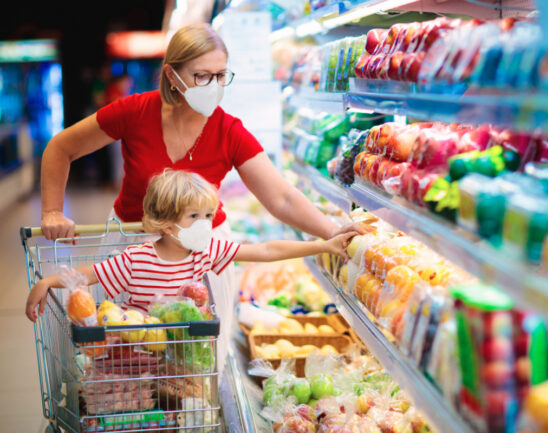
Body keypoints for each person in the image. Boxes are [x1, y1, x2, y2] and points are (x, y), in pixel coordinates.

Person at [38, 23, 364, 365]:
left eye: (222, 76)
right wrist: (51, 211)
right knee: (125, 355)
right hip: (131, 249)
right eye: (202, 76)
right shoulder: (135, 112)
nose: (214, 86)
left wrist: (332, 232)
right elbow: (61, 148)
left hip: (202, 252)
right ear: (172, 75)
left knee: (196, 363)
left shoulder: (229, 131)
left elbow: (281, 198)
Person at [26, 170, 355, 322]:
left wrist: (323, 245)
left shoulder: (206, 251)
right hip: (140, 359)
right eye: (194, 216)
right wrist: (46, 282)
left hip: (188, 360)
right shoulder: (135, 259)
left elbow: (266, 251)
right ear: (166, 225)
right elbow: (89, 275)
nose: (205, 224)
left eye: (209, 215)